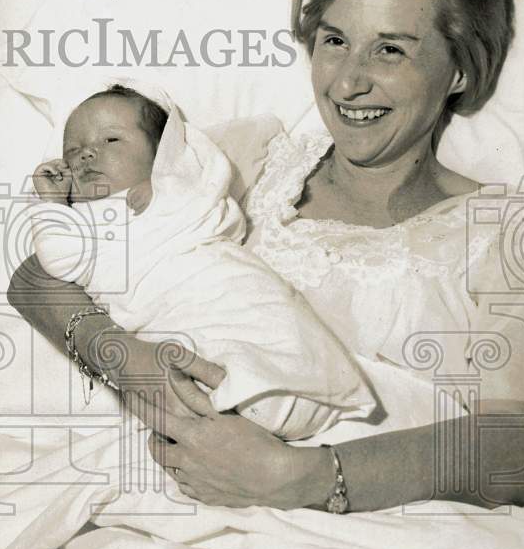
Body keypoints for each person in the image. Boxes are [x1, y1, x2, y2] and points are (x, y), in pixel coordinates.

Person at [9, 0, 524, 514]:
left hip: (389, 536)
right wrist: (128, 363)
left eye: (390, 48)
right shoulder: (243, 163)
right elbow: (38, 278)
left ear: (461, 69)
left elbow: (522, 447)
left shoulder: (503, 236)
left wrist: (307, 478)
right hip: (176, 500)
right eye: (335, 40)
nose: (347, 81)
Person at [30, 84, 374, 440]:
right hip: (174, 320)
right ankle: (254, 405)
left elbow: (220, 212)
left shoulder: (188, 192)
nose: (87, 154)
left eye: (111, 141)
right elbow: (59, 258)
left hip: (220, 281)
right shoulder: (80, 222)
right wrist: (52, 205)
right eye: (73, 150)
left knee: (268, 318)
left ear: (164, 150)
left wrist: (171, 183)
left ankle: (294, 382)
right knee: (198, 362)